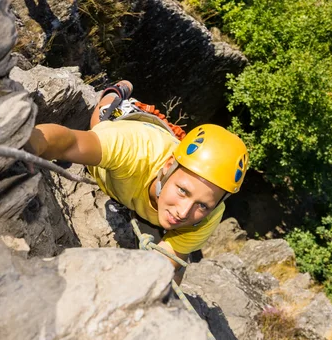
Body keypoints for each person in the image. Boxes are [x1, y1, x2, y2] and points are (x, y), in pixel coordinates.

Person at [26, 80, 249, 270]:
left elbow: (169, 261)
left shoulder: (208, 217)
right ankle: (117, 90)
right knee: (99, 120)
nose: (183, 212)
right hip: (133, 127)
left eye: (202, 205)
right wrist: (29, 144)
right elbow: (68, 143)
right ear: (168, 166)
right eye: (182, 190)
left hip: (163, 148)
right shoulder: (133, 149)